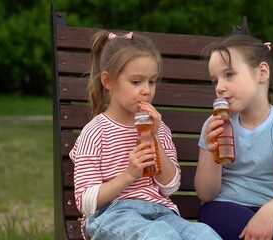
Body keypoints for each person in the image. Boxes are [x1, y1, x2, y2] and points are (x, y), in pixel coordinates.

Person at [69, 30, 222, 240]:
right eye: (136, 82)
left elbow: (170, 187)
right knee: (159, 235)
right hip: (112, 215)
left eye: (152, 82)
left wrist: (155, 137)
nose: (146, 91)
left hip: (161, 213)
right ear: (108, 81)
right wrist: (128, 175)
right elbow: (85, 202)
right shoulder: (95, 132)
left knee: (205, 235)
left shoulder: (160, 128)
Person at [194, 34, 273, 240]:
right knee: (211, 214)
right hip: (228, 206)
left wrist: (268, 213)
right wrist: (212, 152)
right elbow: (206, 194)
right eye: (215, 80)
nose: (219, 86)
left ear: (262, 72)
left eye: (229, 75)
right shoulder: (213, 127)